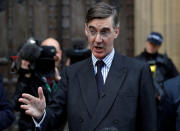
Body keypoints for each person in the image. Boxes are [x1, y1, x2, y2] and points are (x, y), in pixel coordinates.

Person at [19, 2, 157, 131]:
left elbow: (149, 124)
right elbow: (54, 119)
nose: (97, 40)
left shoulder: (138, 71)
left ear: (116, 31)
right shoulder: (71, 74)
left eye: (104, 32)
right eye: (92, 31)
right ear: (86, 30)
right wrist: (41, 115)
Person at [13, 37, 63, 130]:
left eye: (54, 51)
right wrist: (25, 76)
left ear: (60, 53)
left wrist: (59, 81)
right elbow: (16, 104)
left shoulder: (65, 75)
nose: (51, 56)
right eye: (45, 52)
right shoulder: (30, 75)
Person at [136, 32, 179, 99]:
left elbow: (175, 79)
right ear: (147, 42)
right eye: (151, 43)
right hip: (143, 98)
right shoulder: (137, 61)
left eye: (155, 44)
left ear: (159, 46)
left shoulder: (166, 61)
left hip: (162, 99)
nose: (152, 46)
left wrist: (166, 92)